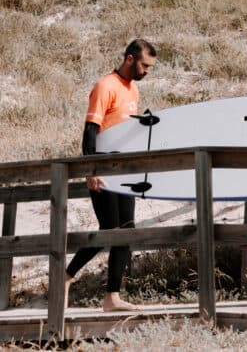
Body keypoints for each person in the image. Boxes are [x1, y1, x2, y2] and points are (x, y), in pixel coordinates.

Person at [64, 39, 157, 311]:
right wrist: (91, 170)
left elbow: (124, 130)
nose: (147, 71)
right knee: (109, 230)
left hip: (124, 169)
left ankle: (112, 297)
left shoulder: (134, 90)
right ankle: (66, 276)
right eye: (144, 65)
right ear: (130, 59)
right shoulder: (105, 86)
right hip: (103, 168)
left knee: (126, 231)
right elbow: (90, 131)